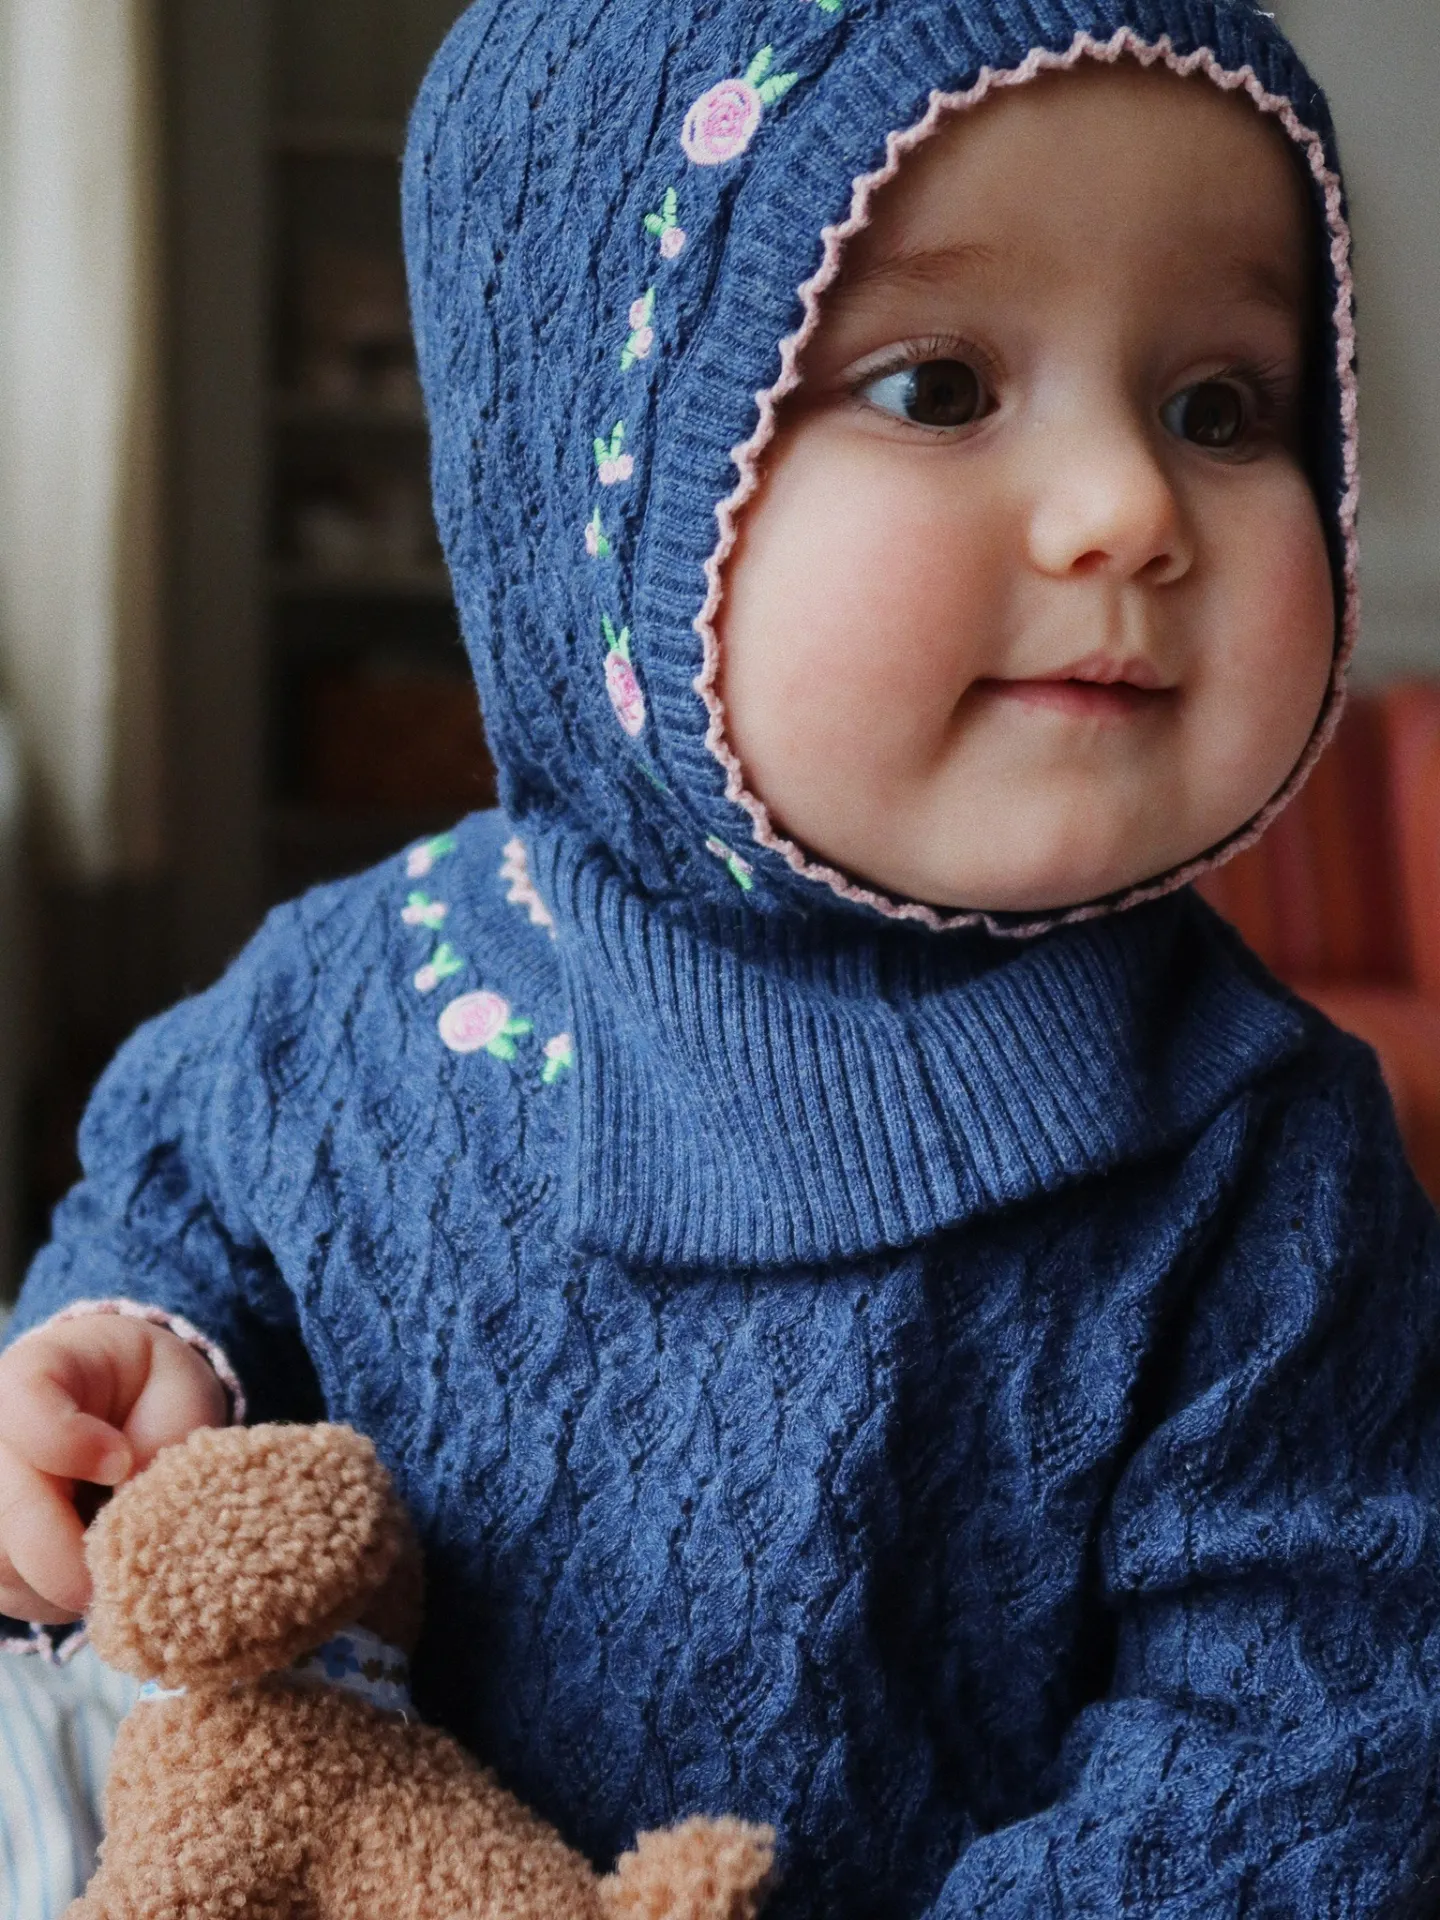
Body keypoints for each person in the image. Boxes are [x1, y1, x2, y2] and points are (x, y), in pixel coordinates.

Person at [3, 0, 1438, 1912]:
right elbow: (177, 1212)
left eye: (1221, 408)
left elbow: (1298, 1752)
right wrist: (121, 1364)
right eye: (938, 385)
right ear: (591, 496)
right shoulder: (354, 999)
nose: (1132, 508)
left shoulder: (1258, 1158)